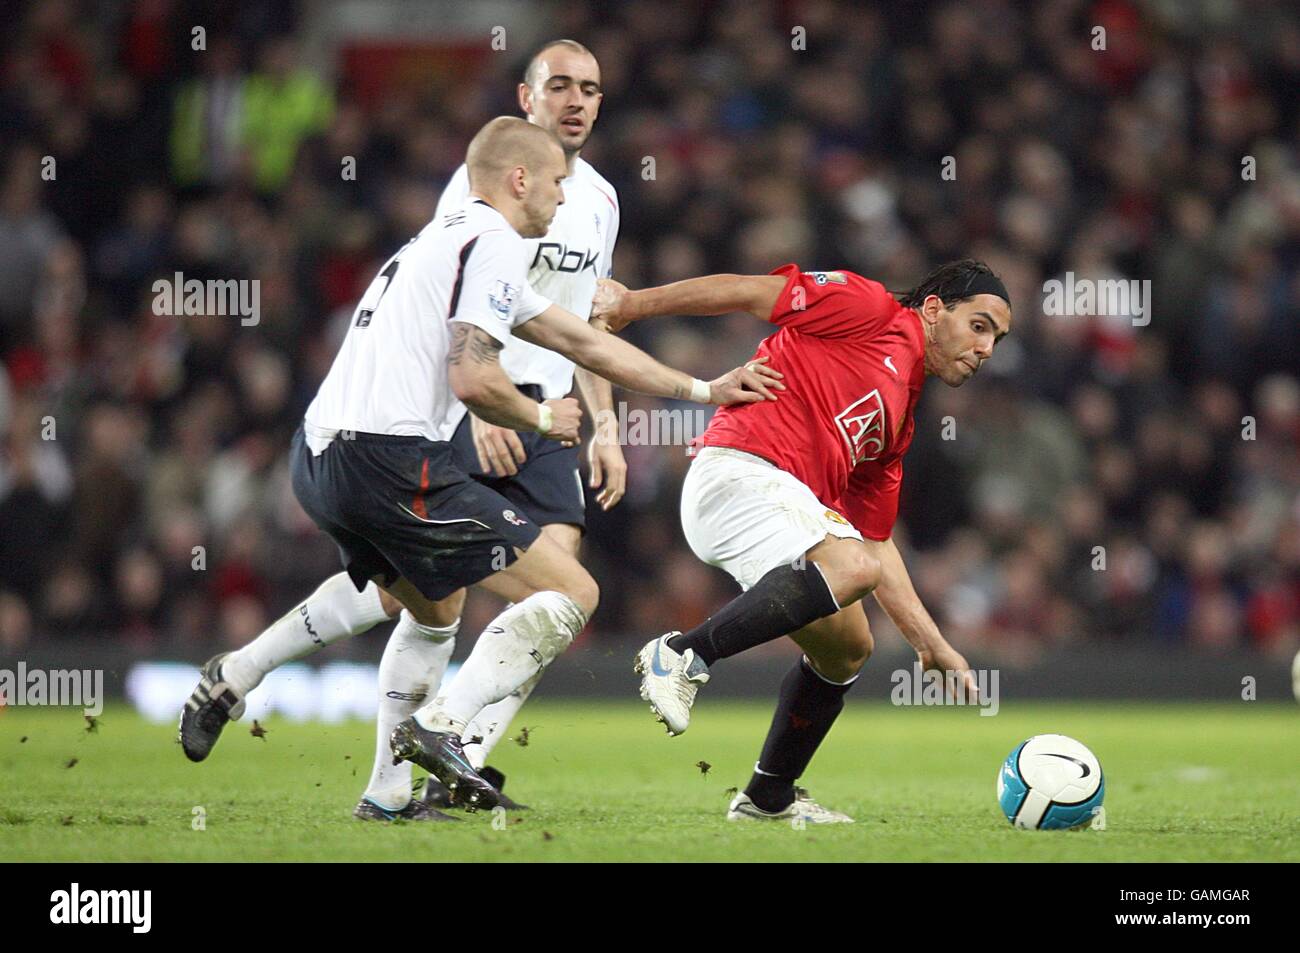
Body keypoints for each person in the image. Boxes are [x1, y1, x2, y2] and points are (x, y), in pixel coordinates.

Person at [179, 115, 781, 818]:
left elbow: (583, 342)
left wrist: (703, 388)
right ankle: (441, 730)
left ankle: (360, 771)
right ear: (518, 179)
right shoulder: (492, 240)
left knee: (434, 612)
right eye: (555, 183)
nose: (563, 199)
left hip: (321, 454)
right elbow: (471, 378)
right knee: (572, 589)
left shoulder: (454, 236)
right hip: (389, 458)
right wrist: (535, 416)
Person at [179, 39, 623, 819]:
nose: (576, 101)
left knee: (533, 604)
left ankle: (454, 761)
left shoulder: (604, 201)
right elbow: (453, 301)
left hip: (549, 421)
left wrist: (609, 424)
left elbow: (586, 321)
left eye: (589, 88)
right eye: (559, 86)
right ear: (527, 99)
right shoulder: (481, 182)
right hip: (472, 403)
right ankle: (278, 684)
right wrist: (480, 410)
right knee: (422, 600)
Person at [591, 259, 1011, 823]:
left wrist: (930, 644)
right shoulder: (869, 308)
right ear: (934, 310)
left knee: (848, 647)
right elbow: (745, 290)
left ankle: (768, 797)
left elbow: (876, 543)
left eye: (997, 338)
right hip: (739, 471)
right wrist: (631, 305)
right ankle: (683, 655)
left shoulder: (900, 419)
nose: (986, 348)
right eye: (979, 326)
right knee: (851, 569)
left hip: (781, 508)